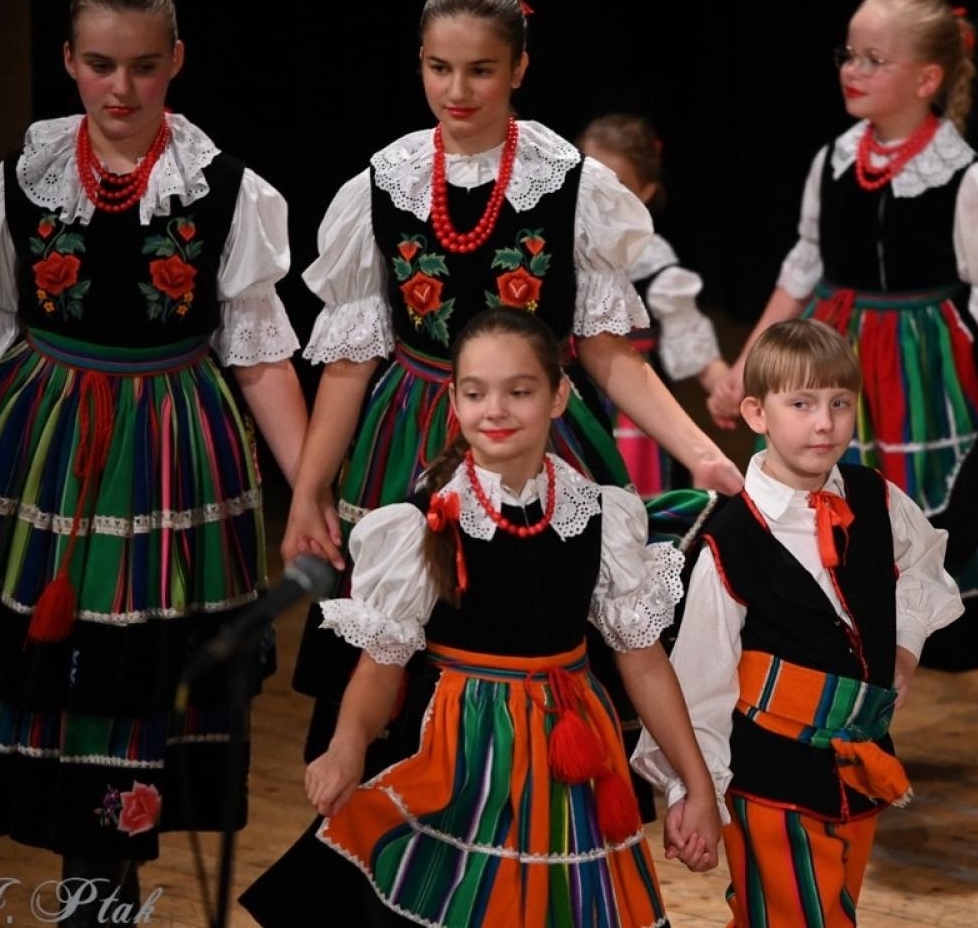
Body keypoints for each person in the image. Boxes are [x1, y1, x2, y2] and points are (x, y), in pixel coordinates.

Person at [0, 0, 306, 915]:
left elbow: (261, 357)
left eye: (146, 67)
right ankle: (87, 888)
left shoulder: (222, 188)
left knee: (137, 686)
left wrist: (310, 491)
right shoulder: (30, 175)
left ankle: (103, 886)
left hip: (168, 458)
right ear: (70, 61)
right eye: (102, 65)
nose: (123, 89)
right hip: (44, 452)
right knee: (49, 669)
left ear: (177, 64)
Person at [284, 0, 742, 780]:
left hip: (539, 434)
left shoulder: (573, 184)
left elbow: (605, 350)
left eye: (481, 70)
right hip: (410, 437)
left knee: (539, 633)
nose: (457, 90)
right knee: (399, 648)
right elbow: (352, 360)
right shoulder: (380, 184)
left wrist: (698, 447)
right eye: (438, 67)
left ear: (519, 68)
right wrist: (309, 488)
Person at [709, 0, 978, 759]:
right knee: (837, 524)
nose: (853, 69)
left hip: (929, 370)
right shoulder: (833, 160)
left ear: (926, 79)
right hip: (839, 357)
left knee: (963, 518)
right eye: (848, 53)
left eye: (874, 59)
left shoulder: (966, 177)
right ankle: (846, 688)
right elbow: (804, 264)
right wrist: (752, 356)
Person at [241, 308, 722, 928]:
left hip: (568, 752)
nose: (495, 409)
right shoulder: (424, 520)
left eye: (519, 391)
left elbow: (645, 664)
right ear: (455, 400)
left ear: (559, 398)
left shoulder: (602, 516)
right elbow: (382, 665)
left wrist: (696, 783)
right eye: (476, 392)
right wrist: (346, 745)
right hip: (458, 750)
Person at [636, 318, 963, 926]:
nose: (825, 422)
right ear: (757, 414)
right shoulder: (730, 543)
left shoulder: (872, 497)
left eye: (840, 403)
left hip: (857, 763)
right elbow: (699, 683)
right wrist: (694, 792)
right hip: (767, 778)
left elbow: (924, 561)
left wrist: (906, 649)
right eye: (802, 403)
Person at [578, 113, 729, 495]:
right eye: (590, 182)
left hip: (637, 421)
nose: (602, 199)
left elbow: (688, 333)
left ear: (645, 192)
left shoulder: (653, 261)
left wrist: (723, 384)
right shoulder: (560, 249)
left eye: (620, 186)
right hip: (573, 403)